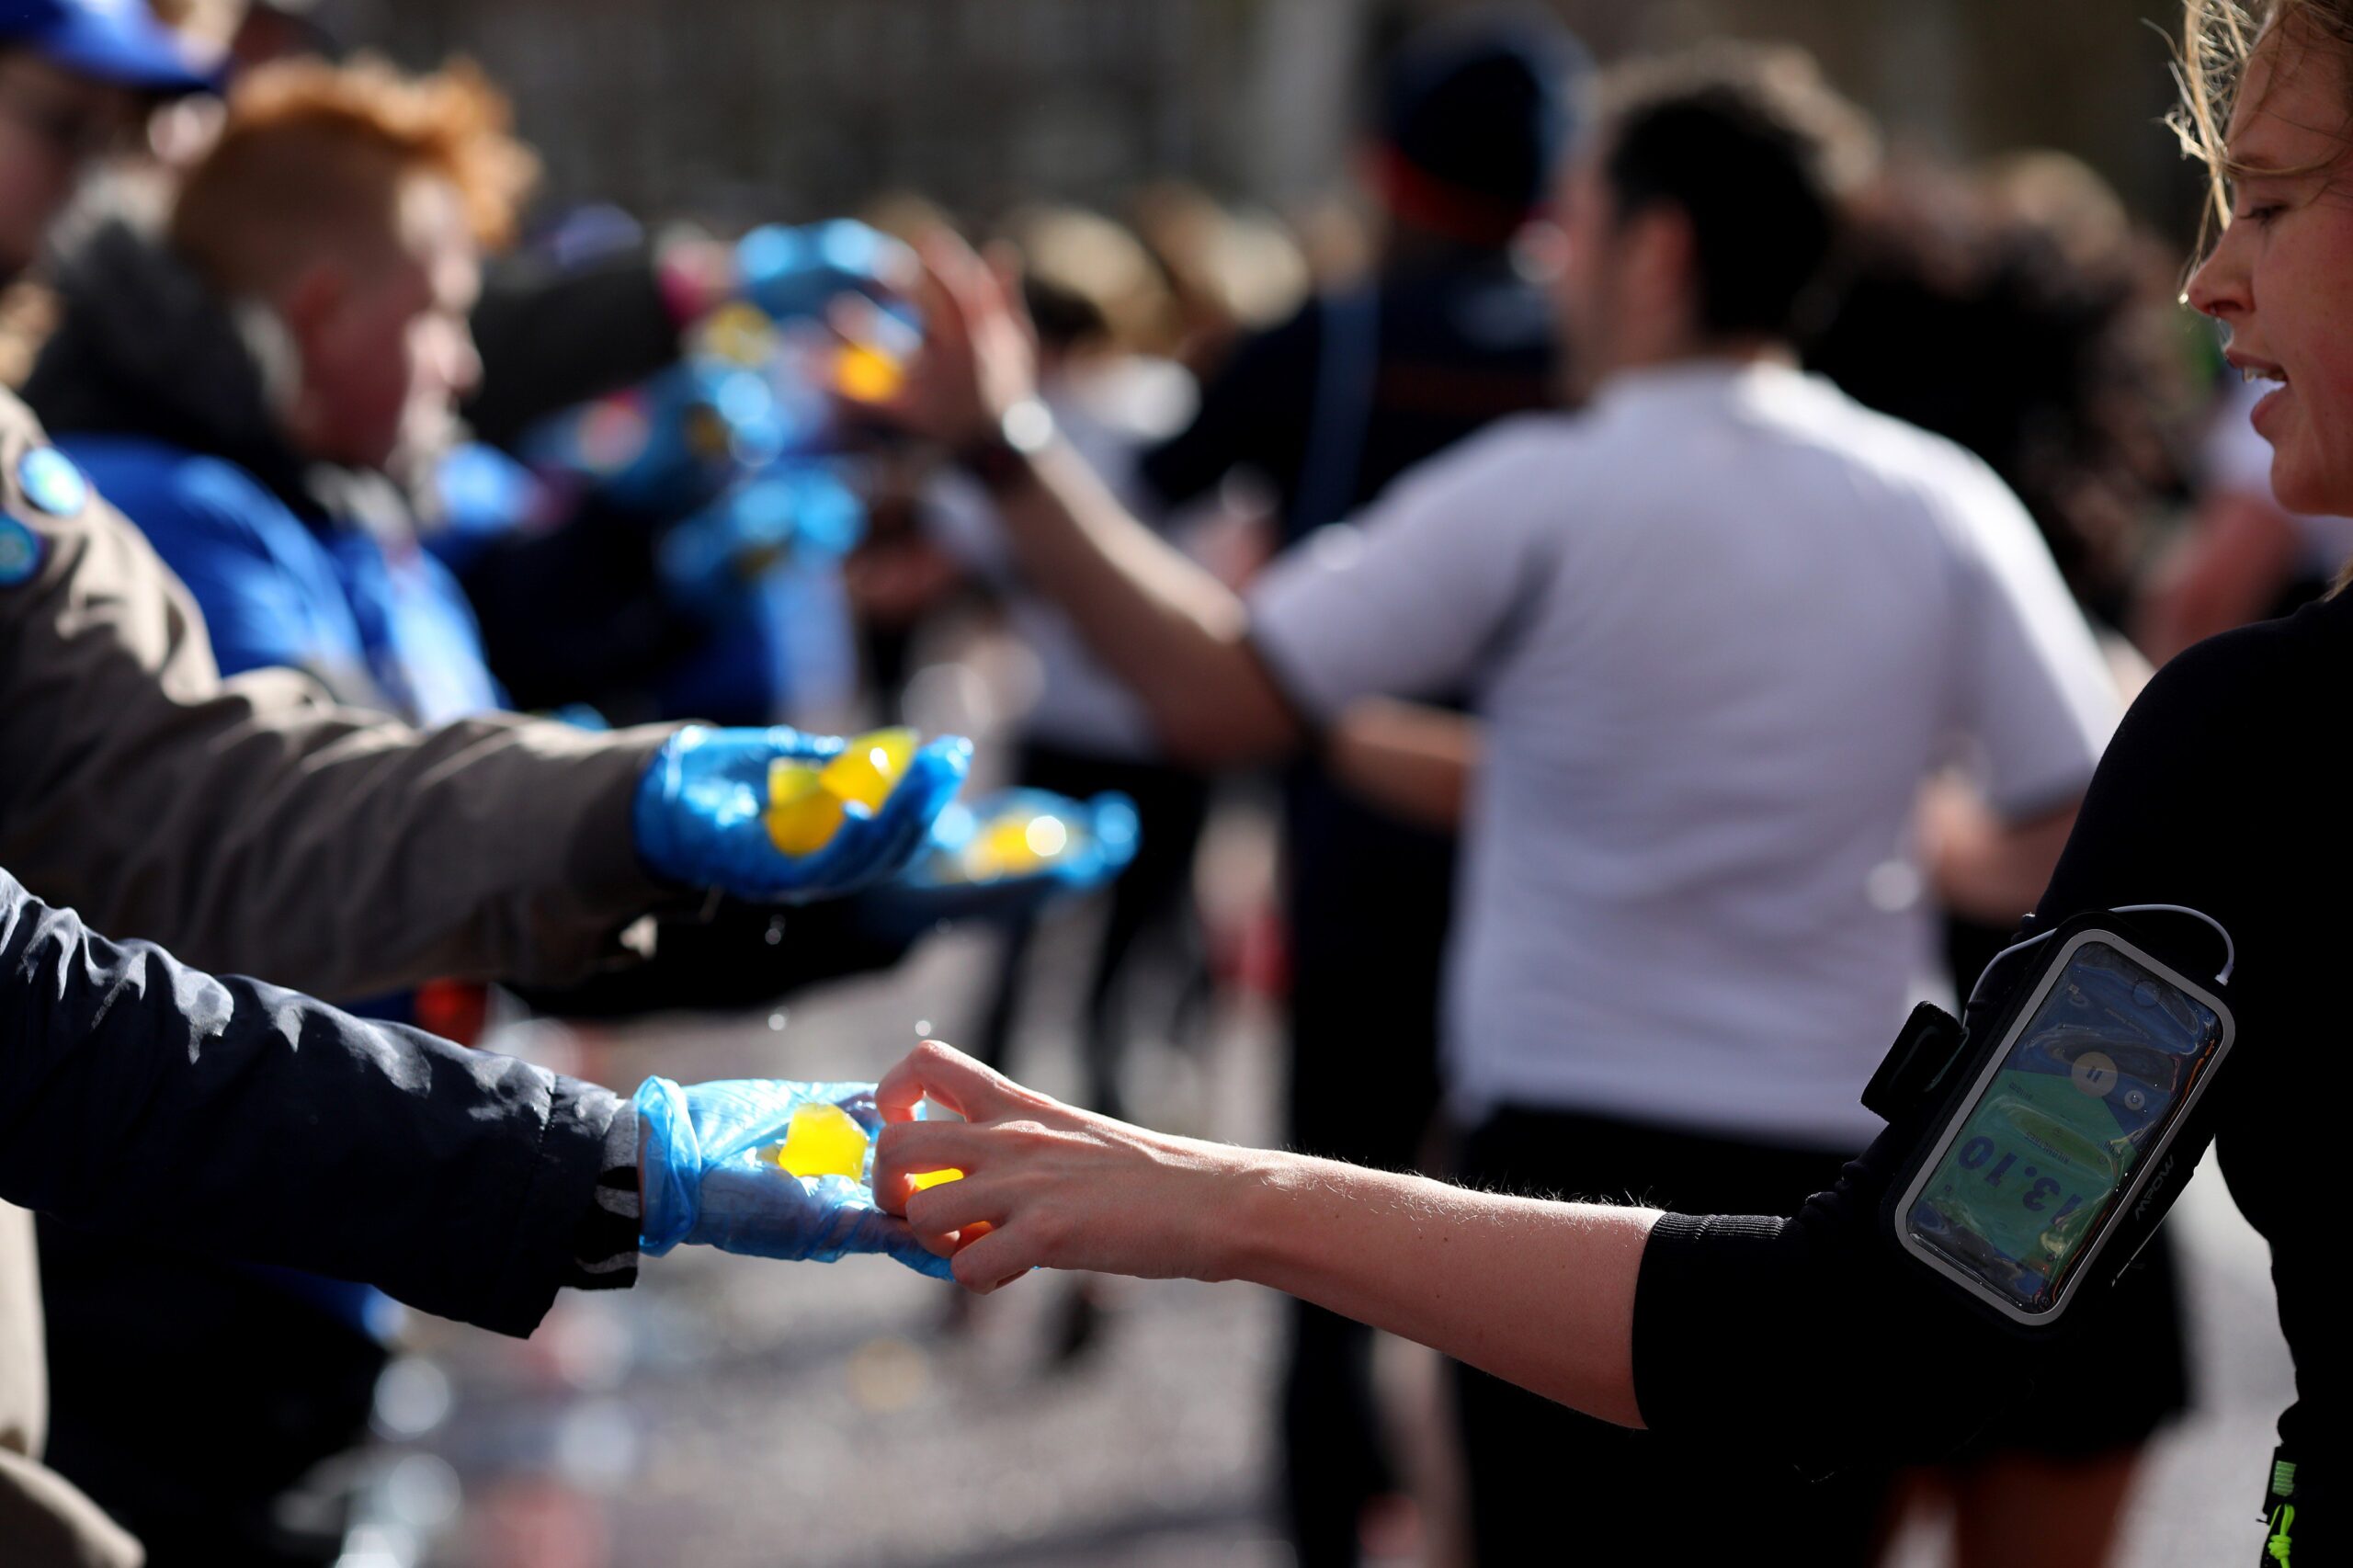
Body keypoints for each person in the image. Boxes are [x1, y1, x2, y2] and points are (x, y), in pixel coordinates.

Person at [871, 5, 2349, 1561]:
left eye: (2267, 199)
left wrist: (1001, 447)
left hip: (1610, 1202)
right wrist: (1954, 862)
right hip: (1818, 1153)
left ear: (1653, 252)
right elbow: (2068, 785)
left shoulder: (2257, 736)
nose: (2208, 277)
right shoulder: (1944, 502)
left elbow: (1217, 685)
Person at [0, 8, 968, 1560]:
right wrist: (589, 1156)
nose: (120, 182)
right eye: (69, 124)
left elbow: (208, 792)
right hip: (187, 1267)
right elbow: (82, 987)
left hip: (278, 1239)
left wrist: (648, 813)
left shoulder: (110, 468)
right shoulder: (178, 499)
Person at [1124, 22, 1586, 1559]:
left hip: (1362, 841)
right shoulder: (1589, 366)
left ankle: (1332, 1534)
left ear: (1387, 170)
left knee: (1322, 1227)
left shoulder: (1328, 340)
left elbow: (1172, 483)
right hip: (1557, 851)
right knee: (1542, 1255)